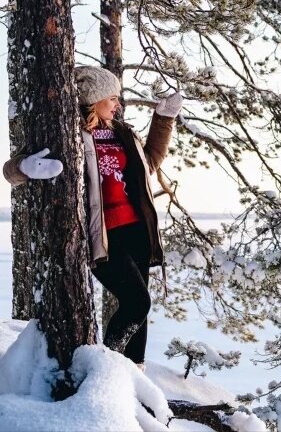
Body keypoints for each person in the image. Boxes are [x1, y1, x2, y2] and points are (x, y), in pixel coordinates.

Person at [3, 66, 183, 371]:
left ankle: (135, 374)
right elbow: (11, 170)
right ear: (93, 98)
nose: (117, 104)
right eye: (111, 97)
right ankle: (108, 367)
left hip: (136, 228)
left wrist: (164, 120)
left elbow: (148, 163)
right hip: (102, 235)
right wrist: (25, 168)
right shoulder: (69, 132)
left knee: (138, 309)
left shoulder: (122, 132)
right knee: (137, 303)